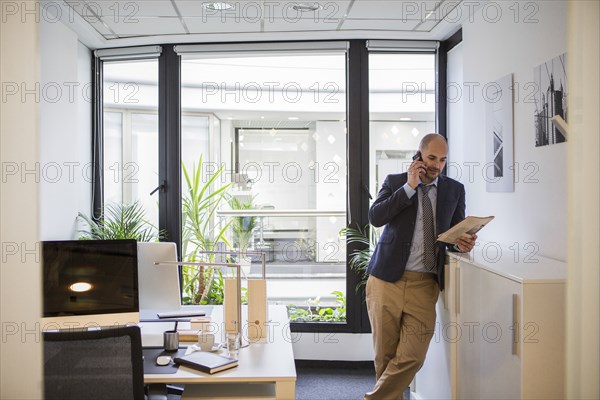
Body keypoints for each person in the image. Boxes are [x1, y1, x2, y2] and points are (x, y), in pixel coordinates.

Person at [364, 133, 476, 400]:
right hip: (385, 281)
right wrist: (409, 187)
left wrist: (462, 242)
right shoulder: (395, 182)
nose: (437, 165)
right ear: (419, 156)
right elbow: (375, 217)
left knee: (413, 356)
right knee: (385, 355)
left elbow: (452, 235)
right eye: (432, 158)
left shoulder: (454, 190)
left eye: (443, 159)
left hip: (424, 285)